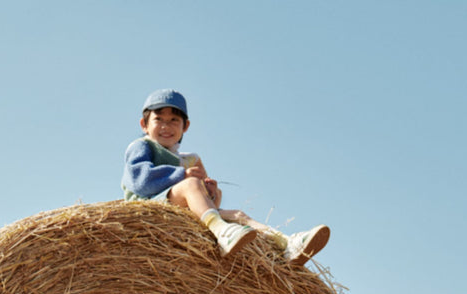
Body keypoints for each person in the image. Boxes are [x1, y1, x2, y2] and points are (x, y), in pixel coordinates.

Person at [121, 88, 330, 263]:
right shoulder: (141, 146)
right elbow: (140, 181)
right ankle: (222, 233)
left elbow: (207, 203)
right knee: (192, 184)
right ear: (144, 125)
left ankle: (286, 244)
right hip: (147, 208)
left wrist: (211, 192)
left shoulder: (191, 159)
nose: (166, 126)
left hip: (179, 210)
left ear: (186, 126)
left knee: (239, 215)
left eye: (174, 120)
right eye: (159, 119)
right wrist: (182, 175)